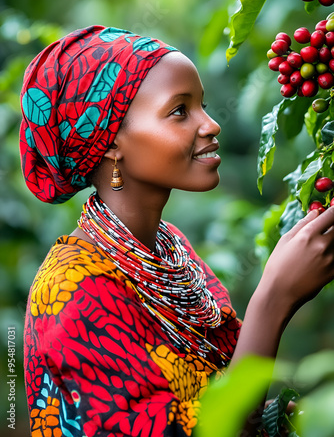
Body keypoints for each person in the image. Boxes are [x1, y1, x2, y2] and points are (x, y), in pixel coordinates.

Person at [20, 25, 334, 437]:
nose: (211, 125)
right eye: (180, 111)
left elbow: (217, 392)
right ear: (110, 142)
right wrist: (275, 297)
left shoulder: (170, 250)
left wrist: (276, 418)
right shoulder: (75, 292)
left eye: (202, 105)